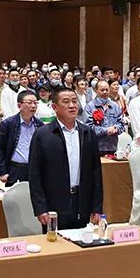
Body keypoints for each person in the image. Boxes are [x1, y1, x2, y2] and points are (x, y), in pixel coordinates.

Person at [28, 87, 103, 230]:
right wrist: (40, 207)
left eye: (74, 101)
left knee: (83, 241)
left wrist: (97, 207)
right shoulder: (42, 135)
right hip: (54, 203)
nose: (72, 105)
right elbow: (35, 174)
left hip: (82, 201)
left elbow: (96, 173)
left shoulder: (87, 133)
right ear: (54, 107)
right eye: (66, 102)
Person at [0, 89, 42, 186]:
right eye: (29, 103)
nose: (33, 106)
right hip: (14, 169)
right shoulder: (8, 124)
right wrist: (2, 172)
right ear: (19, 106)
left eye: (35, 103)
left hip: (34, 169)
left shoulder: (39, 124)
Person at [85, 79, 124, 156]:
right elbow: (88, 128)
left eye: (107, 90)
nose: (105, 92)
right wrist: (106, 130)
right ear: (96, 90)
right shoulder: (90, 106)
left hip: (112, 146)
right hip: (96, 147)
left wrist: (116, 128)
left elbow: (121, 124)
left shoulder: (115, 106)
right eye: (102, 90)